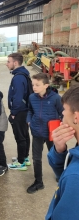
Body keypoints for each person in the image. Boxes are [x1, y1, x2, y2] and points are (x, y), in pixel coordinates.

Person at [45, 85, 79, 220]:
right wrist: (59, 151)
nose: (62, 114)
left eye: (64, 110)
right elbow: (64, 175)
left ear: (76, 117)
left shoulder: (75, 177)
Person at [26, 73, 63, 194]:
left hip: (51, 133)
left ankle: (60, 175)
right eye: (33, 84)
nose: (34, 87)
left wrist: (61, 126)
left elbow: (62, 113)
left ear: (46, 85)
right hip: (36, 132)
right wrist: (29, 120)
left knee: (55, 156)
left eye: (37, 85)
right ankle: (38, 182)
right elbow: (30, 110)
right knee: (36, 158)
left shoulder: (56, 98)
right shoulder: (32, 97)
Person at [6, 53, 31, 170]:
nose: (7, 64)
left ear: (15, 63)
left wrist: (13, 113)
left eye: (8, 62)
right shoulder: (23, 74)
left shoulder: (18, 77)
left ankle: (21, 162)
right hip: (24, 110)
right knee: (25, 135)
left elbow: (18, 97)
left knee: (20, 136)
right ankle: (25, 158)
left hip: (20, 111)